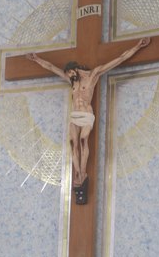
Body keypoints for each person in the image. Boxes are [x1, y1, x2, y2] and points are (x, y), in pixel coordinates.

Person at [26, 37, 150, 190]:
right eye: (68, 75)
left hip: (86, 115)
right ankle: (77, 173)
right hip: (74, 116)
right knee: (73, 143)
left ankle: (83, 172)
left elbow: (120, 59)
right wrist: (36, 59)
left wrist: (137, 46)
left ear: (75, 69)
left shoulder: (93, 75)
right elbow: (51, 67)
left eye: (71, 73)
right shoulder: (71, 80)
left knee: (84, 139)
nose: (70, 77)